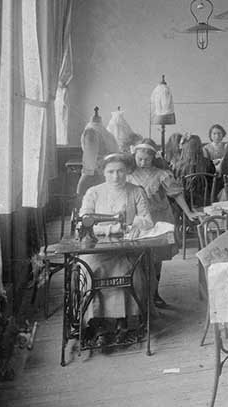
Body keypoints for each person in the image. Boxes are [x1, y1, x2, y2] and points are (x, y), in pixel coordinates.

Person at [78, 153, 153, 346]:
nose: (116, 176)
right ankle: (99, 325)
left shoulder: (136, 191)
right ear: (103, 172)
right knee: (91, 270)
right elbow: (84, 223)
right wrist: (112, 228)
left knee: (130, 271)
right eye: (111, 172)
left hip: (126, 248)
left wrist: (135, 224)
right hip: (97, 249)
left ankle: (125, 323)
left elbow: (147, 220)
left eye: (120, 171)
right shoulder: (93, 192)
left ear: (127, 171)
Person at [127, 140, 198, 307]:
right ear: (134, 157)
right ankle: (140, 294)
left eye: (147, 159)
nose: (143, 163)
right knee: (138, 256)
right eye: (140, 159)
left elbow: (177, 194)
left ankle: (155, 292)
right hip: (138, 219)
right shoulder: (129, 174)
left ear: (153, 158)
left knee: (157, 257)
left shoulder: (161, 174)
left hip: (160, 218)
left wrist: (188, 212)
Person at [175, 134, 216, 208]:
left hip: (186, 203)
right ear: (200, 147)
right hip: (205, 200)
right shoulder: (208, 163)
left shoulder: (179, 166)